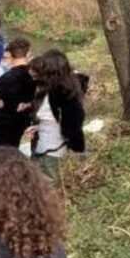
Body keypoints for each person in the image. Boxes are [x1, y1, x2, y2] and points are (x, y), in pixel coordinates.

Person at [28, 49, 86, 182]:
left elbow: (73, 123)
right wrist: (39, 127)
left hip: (52, 149)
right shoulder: (58, 89)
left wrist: (77, 149)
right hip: (46, 144)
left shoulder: (63, 93)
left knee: (46, 186)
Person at [0, 38, 37, 146]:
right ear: (28, 53)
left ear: (9, 54)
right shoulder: (35, 76)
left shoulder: (7, 77)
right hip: (25, 120)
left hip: (5, 122)